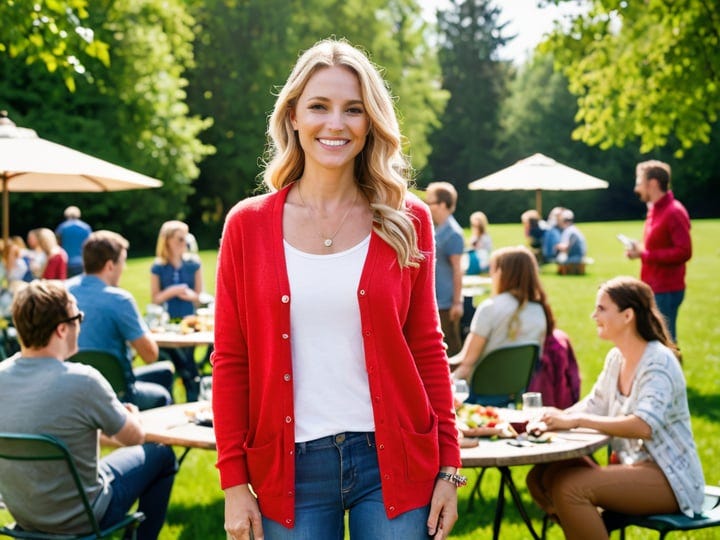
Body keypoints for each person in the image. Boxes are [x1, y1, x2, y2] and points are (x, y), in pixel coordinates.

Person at [212, 38, 462, 540]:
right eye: (319, 107)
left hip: (394, 460)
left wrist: (449, 468)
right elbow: (231, 359)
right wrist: (234, 482)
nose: (335, 124)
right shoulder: (248, 225)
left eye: (353, 109)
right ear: (293, 118)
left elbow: (427, 349)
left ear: (371, 122)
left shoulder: (407, 219)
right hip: (290, 468)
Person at [525, 276, 705, 540]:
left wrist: (575, 422)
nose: (593, 315)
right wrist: (556, 417)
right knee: (542, 477)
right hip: (633, 468)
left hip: (672, 479)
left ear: (627, 315)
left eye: (602, 308)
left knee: (569, 488)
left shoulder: (659, 363)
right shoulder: (616, 358)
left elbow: (643, 425)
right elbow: (596, 404)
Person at [0, 280, 177, 540]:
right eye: (78, 317)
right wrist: (132, 417)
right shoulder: (83, 381)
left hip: (24, 515)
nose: (81, 324)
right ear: (62, 329)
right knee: (161, 454)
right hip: (84, 517)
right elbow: (134, 438)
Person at [68, 230, 175, 410]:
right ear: (110, 266)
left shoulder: (64, 291)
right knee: (162, 393)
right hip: (116, 395)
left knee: (164, 372)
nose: (123, 269)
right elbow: (150, 356)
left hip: (73, 390)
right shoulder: (119, 300)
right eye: (122, 263)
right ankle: (148, 437)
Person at [450, 245, 554, 404]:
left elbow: (466, 361)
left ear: (503, 273)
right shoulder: (539, 310)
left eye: (493, 269)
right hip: (516, 393)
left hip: (478, 395)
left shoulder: (490, 308)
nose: (491, 275)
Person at [626, 160, 691, 343]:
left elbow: (684, 251)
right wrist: (638, 251)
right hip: (653, 285)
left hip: (667, 289)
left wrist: (645, 255)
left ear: (652, 183)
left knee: (665, 343)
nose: (636, 188)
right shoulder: (654, 210)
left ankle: (673, 372)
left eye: (639, 182)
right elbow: (657, 246)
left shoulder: (674, 211)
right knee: (655, 342)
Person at [150, 220, 202, 401]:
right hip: (167, 322)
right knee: (174, 363)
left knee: (187, 362)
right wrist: (171, 291)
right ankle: (175, 395)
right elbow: (155, 298)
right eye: (179, 239)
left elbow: (198, 295)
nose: (183, 243)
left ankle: (192, 393)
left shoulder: (193, 264)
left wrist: (188, 295)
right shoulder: (158, 267)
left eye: (185, 239)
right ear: (168, 241)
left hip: (189, 321)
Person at [426, 181, 465, 356]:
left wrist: (457, 302)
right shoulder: (437, 228)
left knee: (450, 347)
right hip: (436, 299)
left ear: (442, 204)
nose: (428, 207)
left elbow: (458, 269)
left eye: (430, 203)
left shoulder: (452, 233)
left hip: (446, 303)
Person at [56, 205, 92, 277]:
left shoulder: (62, 227)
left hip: (66, 261)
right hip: (82, 261)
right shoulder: (86, 228)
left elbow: (57, 244)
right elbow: (90, 245)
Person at [555, 209, 587, 274]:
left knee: (559, 258)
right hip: (579, 255)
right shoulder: (573, 229)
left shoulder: (570, 231)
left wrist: (557, 247)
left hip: (576, 257)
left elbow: (566, 247)